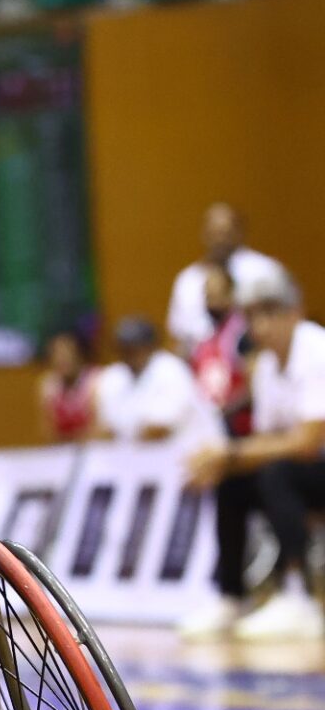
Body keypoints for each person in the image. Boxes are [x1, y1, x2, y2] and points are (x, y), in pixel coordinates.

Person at [188, 269, 325, 639]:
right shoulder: (264, 367)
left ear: (295, 312)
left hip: (313, 464)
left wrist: (230, 452)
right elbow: (268, 441)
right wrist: (222, 461)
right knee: (233, 481)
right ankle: (231, 596)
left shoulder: (316, 348)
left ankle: (301, 594)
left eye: (270, 313)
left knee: (275, 473)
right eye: (253, 316)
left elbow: (308, 440)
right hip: (302, 470)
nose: (261, 325)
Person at [180, 265, 262, 638]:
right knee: (224, 503)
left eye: (218, 292)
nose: (211, 299)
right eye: (206, 293)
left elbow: (255, 385)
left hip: (252, 441)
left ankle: (292, 591)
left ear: (233, 294)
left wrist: (223, 412)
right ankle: (230, 594)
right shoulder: (202, 342)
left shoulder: (245, 335)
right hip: (219, 443)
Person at [166, 203, 281, 357]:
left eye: (225, 233)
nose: (219, 240)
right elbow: (178, 337)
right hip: (201, 369)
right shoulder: (187, 280)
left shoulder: (262, 271)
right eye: (214, 233)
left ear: (240, 233)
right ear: (203, 234)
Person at [94, 317, 220, 445]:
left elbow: (158, 431)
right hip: (140, 455)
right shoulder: (115, 375)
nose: (128, 355)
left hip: (192, 451)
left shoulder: (171, 370)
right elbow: (105, 429)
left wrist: (122, 433)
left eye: (134, 349)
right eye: (123, 349)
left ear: (150, 347)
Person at [37, 328, 102, 443]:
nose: (62, 359)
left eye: (67, 354)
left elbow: (100, 428)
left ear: (80, 354)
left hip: (95, 449)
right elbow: (48, 431)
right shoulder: (49, 385)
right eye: (57, 355)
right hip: (62, 451)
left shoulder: (96, 381)